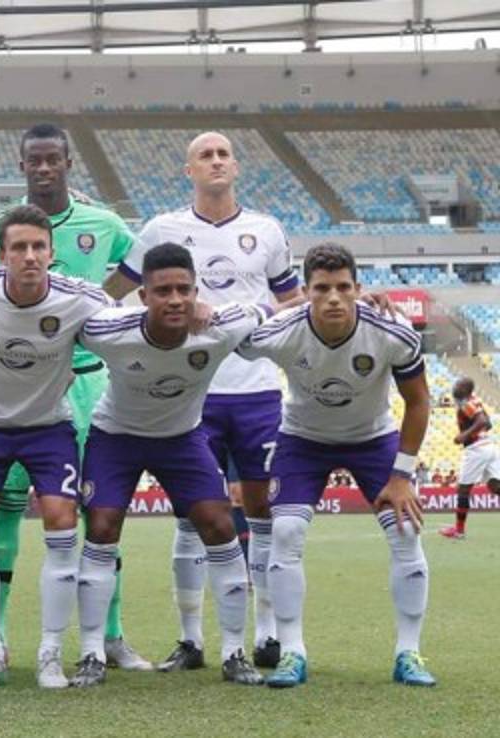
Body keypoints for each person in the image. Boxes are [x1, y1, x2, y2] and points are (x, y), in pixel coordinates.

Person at [0, 123, 149, 672]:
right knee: (4, 513)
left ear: (67, 164)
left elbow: (146, 266)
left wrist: (101, 307)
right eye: (33, 160)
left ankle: (109, 636)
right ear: (22, 165)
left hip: (90, 380)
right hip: (16, 387)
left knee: (98, 511)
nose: (43, 169)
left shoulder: (103, 223)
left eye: (52, 160)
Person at [102, 131, 300, 671]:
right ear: (188, 170)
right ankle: (190, 640)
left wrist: (253, 323)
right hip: (191, 394)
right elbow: (112, 293)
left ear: (236, 167)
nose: (215, 162)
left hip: (256, 390)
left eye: (222, 155)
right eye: (204, 156)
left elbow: (292, 305)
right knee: (192, 517)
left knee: (262, 514)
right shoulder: (162, 231)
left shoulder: (266, 231)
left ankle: (264, 635)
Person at [238, 243, 436, 688]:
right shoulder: (281, 329)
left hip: (373, 438)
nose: (333, 298)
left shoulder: (392, 330)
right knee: (285, 532)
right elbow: (229, 339)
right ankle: (292, 652)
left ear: (358, 289)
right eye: (322, 288)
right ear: (304, 291)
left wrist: (402, 475)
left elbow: (419, 400)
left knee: (405, 530)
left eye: (343, 287)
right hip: (303, 439)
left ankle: (409, 653)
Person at [74, 242, 268, 687]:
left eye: (184, 289)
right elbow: (71, 327)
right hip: (116, 437)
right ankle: (90, 654)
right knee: (101, 527)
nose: (176, 299)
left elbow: (260, 311)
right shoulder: (110, 330)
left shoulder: (219, 327)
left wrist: (215, 308)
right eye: (163, 290)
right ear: (143, 296)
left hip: (181, 439)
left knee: (219, 525)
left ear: (197, 291)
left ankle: (235, 652)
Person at [0, 204, 114, 689]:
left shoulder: (79, 297)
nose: (29, 256)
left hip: (49, 428)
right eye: (19, 247)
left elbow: (130, 325)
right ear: (2, 254)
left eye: (38, 246)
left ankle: (49, 652)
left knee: (63, 520)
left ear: (52, 252)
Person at [439, 377, 500, 539]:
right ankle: (459, 530)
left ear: (466, 389)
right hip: (489, 446)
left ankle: (459, 531)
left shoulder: (466, 404)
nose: (455, 387)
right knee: (495, 487)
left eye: (458, 385)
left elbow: (481, 421)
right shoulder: (476, 401)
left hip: (476, 449)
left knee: (463, 490)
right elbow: (488, 423)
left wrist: (465, 434)